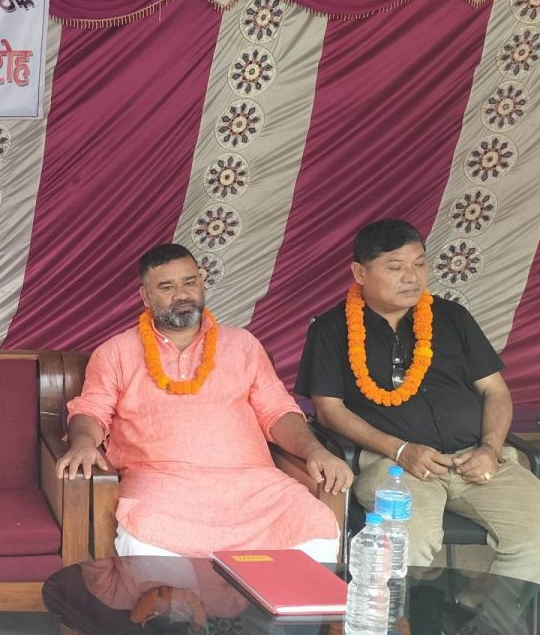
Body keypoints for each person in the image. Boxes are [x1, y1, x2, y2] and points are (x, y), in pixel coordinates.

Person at [57, 243, 346, 562]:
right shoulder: (116, 352)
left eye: (189, 282)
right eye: (167, 287)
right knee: (145, 542)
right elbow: (91, 411)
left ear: (202, 283)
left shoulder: (243, 345)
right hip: (161, 485)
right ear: (146, 297)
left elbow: (278, 412)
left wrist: (315, 450)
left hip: (253, 487)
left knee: (316, 528)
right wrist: (83, 443)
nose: (182, 294)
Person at [298, 219, 540, 582]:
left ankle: (479, 612)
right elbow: (329, 411)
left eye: (420, 264)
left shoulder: (452, 317)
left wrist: (490, 449)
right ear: (360, 273)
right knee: (406, 546)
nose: (412, 277)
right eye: (395, 267)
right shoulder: (332, 329)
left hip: (475, 459)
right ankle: (403, 617)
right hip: (394, 466)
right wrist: (399, 450)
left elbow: (496, 391)